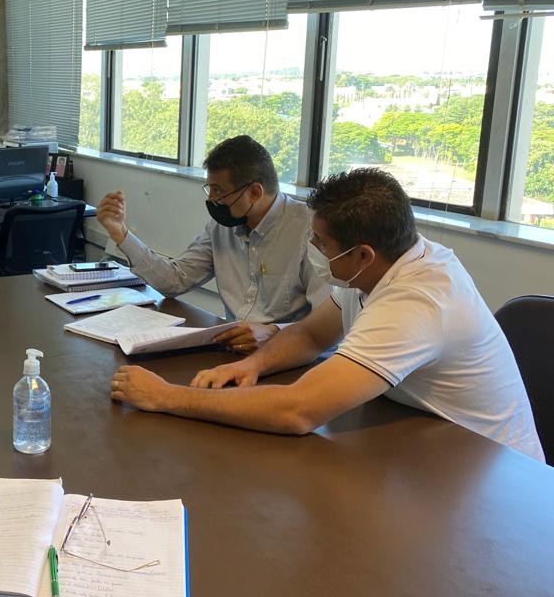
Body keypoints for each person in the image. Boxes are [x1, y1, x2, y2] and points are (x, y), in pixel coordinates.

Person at [110, 168, 544, 462]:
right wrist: (252, 366)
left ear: (363, 254)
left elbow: (299, 410)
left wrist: (166, 396)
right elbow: (311, 336)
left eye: (321, 243)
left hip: (495, 475)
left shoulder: (419, 300)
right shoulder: (381, 265)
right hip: (422, 444)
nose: (314, 249)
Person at [97, 135, 327, 353]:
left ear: (255, 192)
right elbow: (175, 280)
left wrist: (273, 332)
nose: (211, 199)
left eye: (219, 191)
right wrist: (121, 233)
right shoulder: (221, 227)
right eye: (210, 189)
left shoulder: (310, 231)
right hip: (232, 351)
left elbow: (328, 322)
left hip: (289, 356)